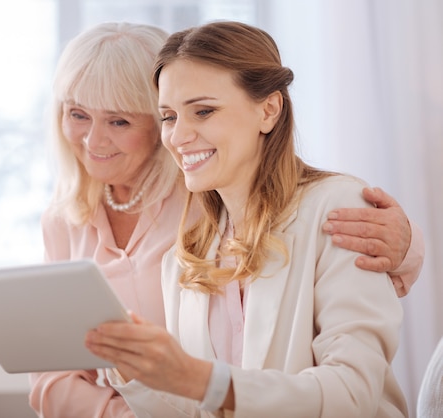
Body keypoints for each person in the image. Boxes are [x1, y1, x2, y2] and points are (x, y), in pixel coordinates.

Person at [31, 22, 423, 417]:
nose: (180, 136)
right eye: (169, 116)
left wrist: (195, 378)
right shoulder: (187, 253)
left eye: (203, 111)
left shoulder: (336, 209)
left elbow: (352, 395)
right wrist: (131, 370)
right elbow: (189, 410)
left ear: (268, 109)